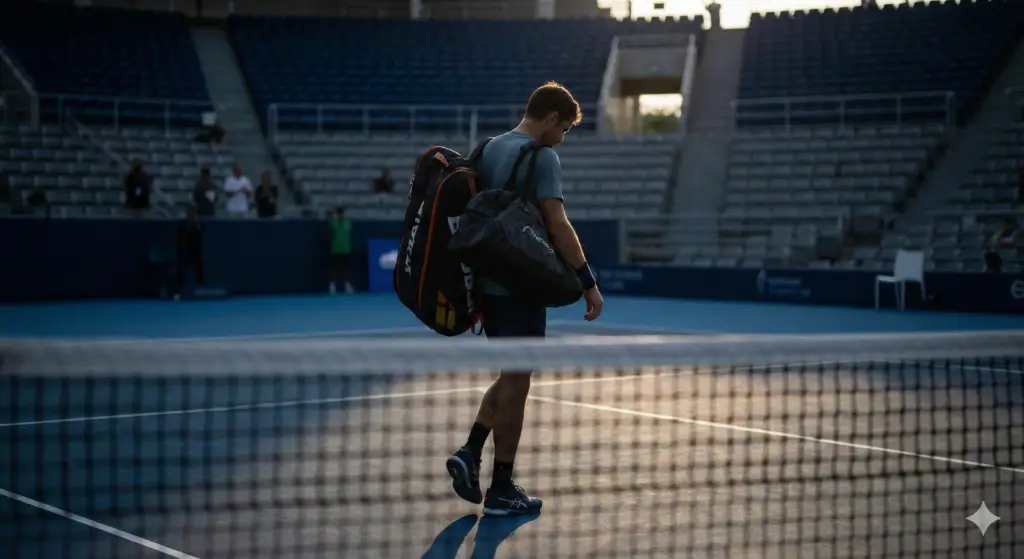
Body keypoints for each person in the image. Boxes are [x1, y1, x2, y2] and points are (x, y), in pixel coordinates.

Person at [445, 81, 604, 516]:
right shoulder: (543, 156)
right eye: (565, 129)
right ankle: (501, 488)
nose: (563, 138)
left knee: (511, 374)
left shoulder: (489, 146)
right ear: (550, 118)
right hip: (521, 286)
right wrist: (587, 281)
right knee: (519, 383)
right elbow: (558, 224)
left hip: (487, 289)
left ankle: (470, 451)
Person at [174, 204, 205, 300]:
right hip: (185, 251)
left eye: (195, 212)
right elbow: (181, 238)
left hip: (195, 251)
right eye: (192, 212)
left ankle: (200, 289)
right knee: (181, 271)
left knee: (199, 269)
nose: (194, 214)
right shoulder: (184, 225)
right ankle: (178, 291)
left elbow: (200, 236)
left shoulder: (198, 224)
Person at [328, 207, 354, 294]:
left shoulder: (348, 224)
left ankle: (347, 285)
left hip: (346, 249)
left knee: (346, 269)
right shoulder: (333, 224)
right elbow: (331, 235)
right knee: (334, 269)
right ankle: (332, 286)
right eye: (339, 213)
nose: (341, 215)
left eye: (342, 213)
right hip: (336, 249)